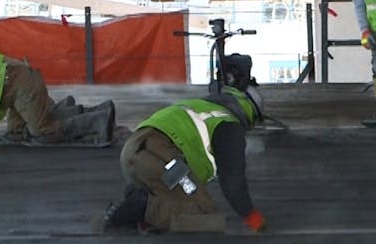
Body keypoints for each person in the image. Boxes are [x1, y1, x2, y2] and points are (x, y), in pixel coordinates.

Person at [104, 85, 266, 234]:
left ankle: (139, 199)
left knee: (183, 197)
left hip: (133, 153)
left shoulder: (199, 106)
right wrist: (254, 220)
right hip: (162, 156)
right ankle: (141, 206)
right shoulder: (229, 125)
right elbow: (233, 183)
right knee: (206, 216)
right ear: (250, 113)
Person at [0, 33, 113, 143]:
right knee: (17, 132)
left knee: (40, 132)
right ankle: (83, 110)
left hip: (22, 86)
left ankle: (98, 121)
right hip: (14, 87)